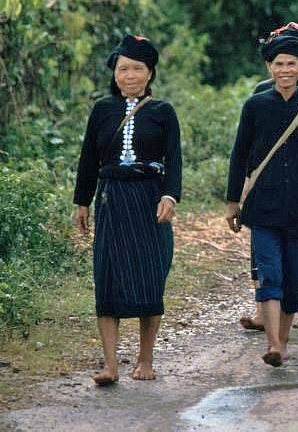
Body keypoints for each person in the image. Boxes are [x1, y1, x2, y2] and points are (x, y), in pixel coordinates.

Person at [73, 34, 182, 386]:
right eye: (123, 69)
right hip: (111, 199)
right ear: (115, 73)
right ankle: (110, 365)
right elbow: (89, 158)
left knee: (150, 274)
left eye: (137, 68)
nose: (129, 75)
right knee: (107, 277)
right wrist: (82, 202)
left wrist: (170, 197)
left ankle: (145, 359)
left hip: (149, 200)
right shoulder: (102, 110)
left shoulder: (163, 112)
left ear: (150, 73)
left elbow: (175, 160)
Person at [225, 33, 298, 366]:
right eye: (278, 64)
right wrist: (232, 200)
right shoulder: (255, 105)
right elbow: (239, 153)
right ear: (268, 67)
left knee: (292, 280)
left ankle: (283, 341)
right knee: (269, 272)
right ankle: (273, 344)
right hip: (263, 205)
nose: (285, 70)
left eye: (291, 63)